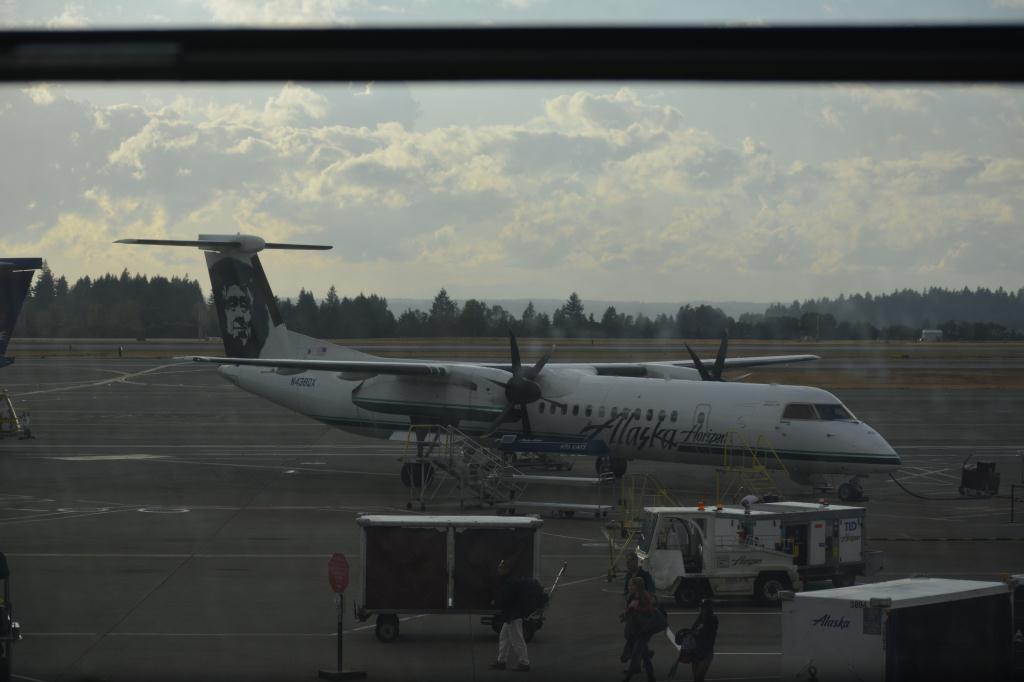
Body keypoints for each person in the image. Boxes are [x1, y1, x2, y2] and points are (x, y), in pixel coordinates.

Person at [620, 576, 664, 682]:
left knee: (636, 653)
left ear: (637, 586)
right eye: (629, 584)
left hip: (645, 629)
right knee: (644, 653)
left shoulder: (644, 596)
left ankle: (628, 677)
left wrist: (637, 610)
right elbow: (629, 610)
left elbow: (649, 610)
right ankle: (651, 677)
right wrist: (625, 615)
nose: (629, 586)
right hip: (637, 628)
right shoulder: (632, 596)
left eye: (631, 585)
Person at [491, 559, 530, 672]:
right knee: (504, 637)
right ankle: (501, 661)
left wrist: (496, 602)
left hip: (514, 615)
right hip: (510, 615)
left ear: (506, 569)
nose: (498, 569)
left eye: (501, 568)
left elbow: (506, 598)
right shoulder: (509, 580)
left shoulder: (510, 582)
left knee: (517, 639)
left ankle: (524, 663)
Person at [690, 598, 718, 682]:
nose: (701, 610)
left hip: (706, 652)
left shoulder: (712, 620)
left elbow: (707, 633)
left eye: (703, 608)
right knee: (696, 677)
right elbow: (693, 630)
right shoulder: (700, 618)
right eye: (701, 608)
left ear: (708, 609)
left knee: (699, 676)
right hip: (696, 651)